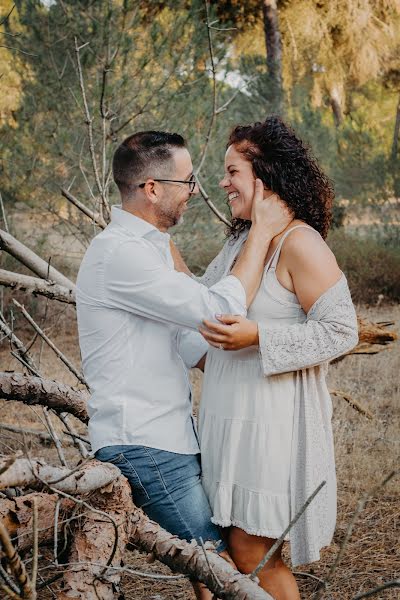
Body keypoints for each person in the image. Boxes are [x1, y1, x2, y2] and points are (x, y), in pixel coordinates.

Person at [75, 130, 292, 599]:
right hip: (144, 444)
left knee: (214, 565)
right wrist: (262, 233)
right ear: (152, 188)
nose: (196, 190)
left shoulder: (148, 250)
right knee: (219, 567)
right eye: (188, 180)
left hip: (170, 437)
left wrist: (273, 355)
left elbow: (190, 345)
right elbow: (216, 309)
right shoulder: (120, 254)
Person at [191, 117, 359, 600]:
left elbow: (341, 330)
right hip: (226, 417)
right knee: (213, 550)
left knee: (252, 554)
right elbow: (208, 302)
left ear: (264, 178)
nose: (222, 183)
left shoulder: (300, 243)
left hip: (268, 426)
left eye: (232, 172)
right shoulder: (240, 242)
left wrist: (258, 337)